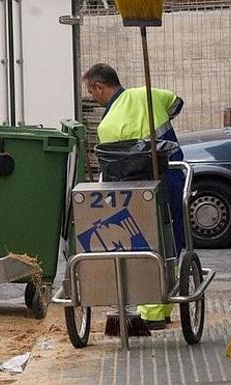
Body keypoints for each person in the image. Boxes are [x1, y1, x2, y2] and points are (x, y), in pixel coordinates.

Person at [83, 63, 185, 330]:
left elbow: (114, 170)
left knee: (142, 242)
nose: (93, 98)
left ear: (99, 86)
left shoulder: (107, 126)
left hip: (136, 192)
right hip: (171, 178)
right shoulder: (151, 94)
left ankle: (150, 310)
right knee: (171, 240)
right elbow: (177, 103)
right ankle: (164, 306)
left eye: (91, 92)